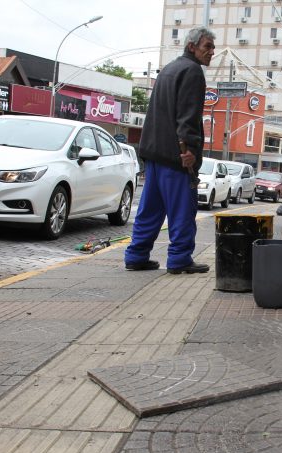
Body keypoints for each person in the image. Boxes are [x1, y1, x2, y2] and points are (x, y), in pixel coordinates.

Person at [124, 27, 216, 274]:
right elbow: (188, 116)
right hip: (177, 156)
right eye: (207, 46)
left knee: (150, 209)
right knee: (182, 210)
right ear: (192, 46)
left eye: (212, 47)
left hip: (154, 152)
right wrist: (189, 150)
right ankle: (179, 259)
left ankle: (136, 255)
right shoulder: (193, 71)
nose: (211, 52)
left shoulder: (168, 69)